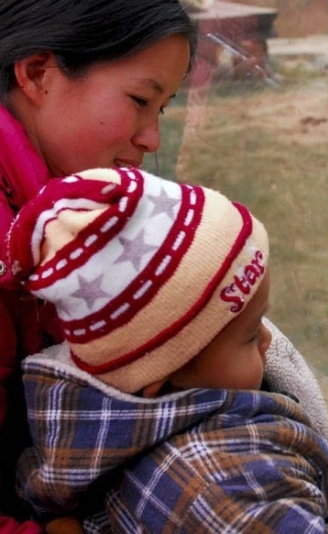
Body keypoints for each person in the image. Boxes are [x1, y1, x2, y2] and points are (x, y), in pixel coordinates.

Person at [8, 167, 328, 533]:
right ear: (158, 376)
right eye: (251, 335)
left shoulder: (113, 433)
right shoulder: (218, 487)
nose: (269, 341)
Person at [0, 2, 198, 530]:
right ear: (39, 74)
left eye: (163, 109)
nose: (151, 138)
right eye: (140, 100)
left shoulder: (50, 214)